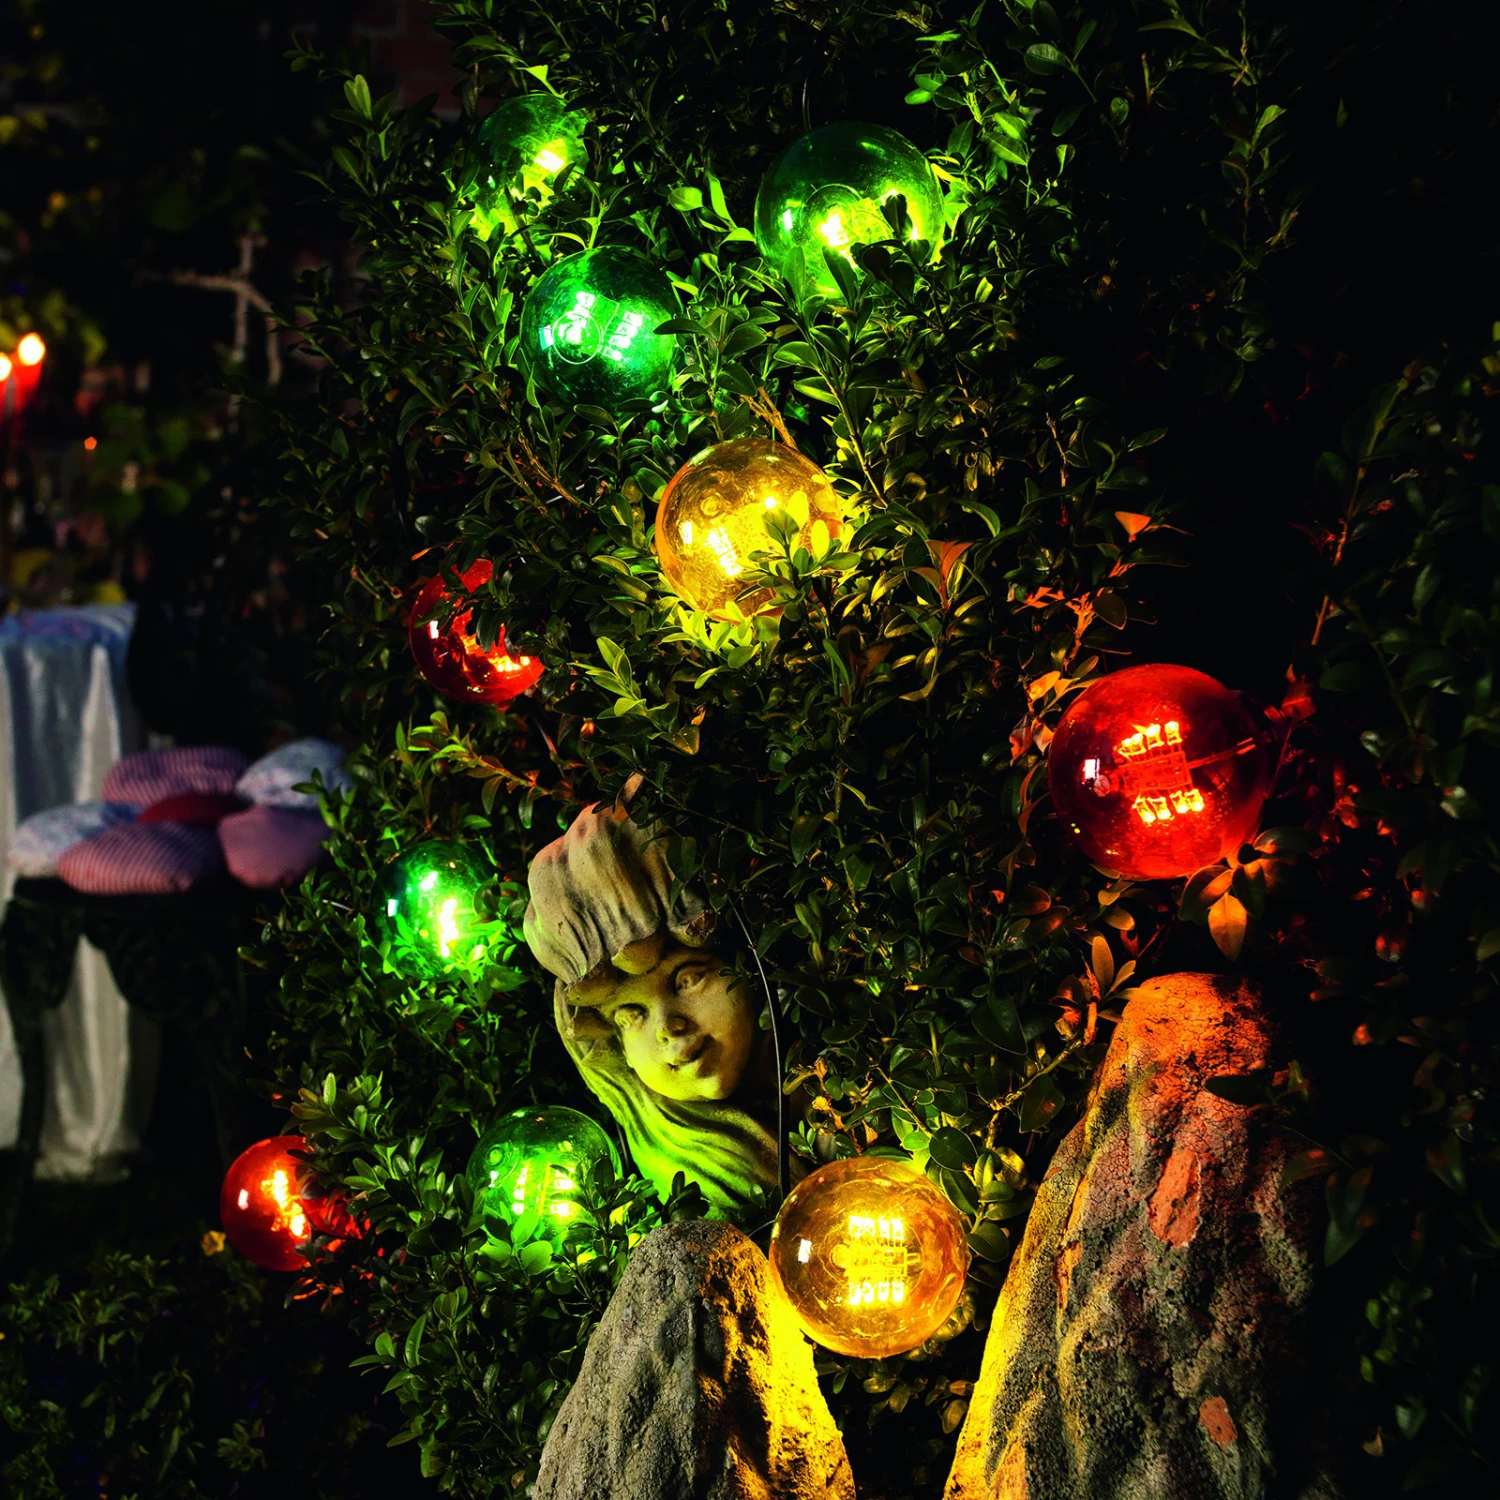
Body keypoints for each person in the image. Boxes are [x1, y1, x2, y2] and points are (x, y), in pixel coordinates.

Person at [523, 799, 781, 1219]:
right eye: (630, 1016)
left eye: (689, 979)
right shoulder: (678, 1178)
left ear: (747, 964)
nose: (667, 1026)